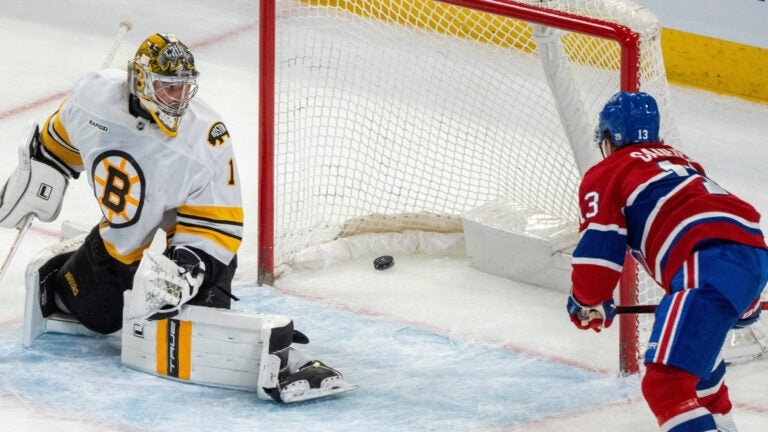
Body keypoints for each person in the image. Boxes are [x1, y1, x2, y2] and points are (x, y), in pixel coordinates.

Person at [0, 33, 352, 403]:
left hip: (188, 229)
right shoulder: (93, 98)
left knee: (192, 312)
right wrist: (41, 171)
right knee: (95, 317)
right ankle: (68, 265)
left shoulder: (206, 137)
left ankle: (269, 346)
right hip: (122, 235)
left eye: (184, 88)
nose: (178, 99)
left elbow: (220, 222)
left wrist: (188, 268)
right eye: (168, 87)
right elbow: (60, 141)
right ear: (139, 80)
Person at [566, 91, 768, 431]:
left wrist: (586, 299)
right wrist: (743, 303)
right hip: (752, 252)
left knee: (666, 384)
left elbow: (599, 254)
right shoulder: (683, 162)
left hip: (706, 261)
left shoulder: (609, 171)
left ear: (609, 139)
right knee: (700, 373)